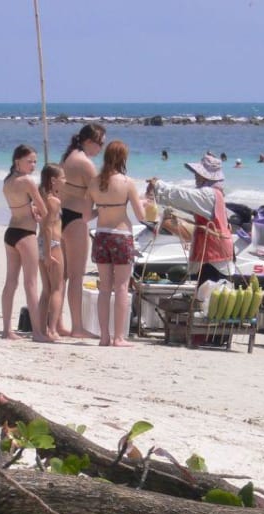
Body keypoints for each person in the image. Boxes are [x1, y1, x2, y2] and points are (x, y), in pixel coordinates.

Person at [87, 141, 148, 347]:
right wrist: (144, 203)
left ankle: (104, 336)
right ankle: (119, 337)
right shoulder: (127, 182)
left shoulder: (94, 182)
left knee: (104, 288)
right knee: (122, 287)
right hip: (121, 236)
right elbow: (141, 216)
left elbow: (86, 214)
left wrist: (103, 208)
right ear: (123, 158)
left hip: (101, 236)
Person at [148, 152, 234, 286]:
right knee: (207, 295)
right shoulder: (214, 193)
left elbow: (183, 196)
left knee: (209, 296)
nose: (195, 176)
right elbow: (188, 204)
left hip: (214, 255)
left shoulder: (208, 194)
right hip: (215, 253)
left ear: (205, 176)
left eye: (198, 173)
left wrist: (159, 185)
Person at [59, 123, 106, 338]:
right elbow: (101, 195)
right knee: (76, 275)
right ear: (89, 141)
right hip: (76, 220)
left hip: (62, 216)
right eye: (100, 143)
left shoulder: (69, 157)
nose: (101, 149)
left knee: (61, 276)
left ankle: (57, 323)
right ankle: (77, 327)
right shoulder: (85, 164)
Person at [1, 144, 49, 342]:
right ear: (17, 161)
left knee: (11, 281)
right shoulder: (28, 181)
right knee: (31, 283)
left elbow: (21, 206)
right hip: (26, 233)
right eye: (29, 161)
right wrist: (39, 212)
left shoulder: (7, 181)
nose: (33, 165)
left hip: (11, 232)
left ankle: (6, 330)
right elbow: (44, 210)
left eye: (35, 161)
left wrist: (32, 210)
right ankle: (37, 332)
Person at [37, 164, 66, 342]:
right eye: (63, 178)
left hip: (41, 243)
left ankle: (41, 329)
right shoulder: (53, 201)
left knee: (46, 290)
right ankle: (52, 329)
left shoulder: (42, 197)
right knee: (57, 288)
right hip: (51, 244)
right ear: (53, 180)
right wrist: (48, 254)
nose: (65, 181)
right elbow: (48, 227)